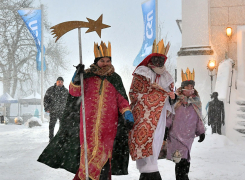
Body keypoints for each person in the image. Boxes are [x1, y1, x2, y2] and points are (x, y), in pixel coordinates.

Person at [38, 41, 134, 180]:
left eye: (108, 60)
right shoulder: (87, 76)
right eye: (102, 60)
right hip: (88, 124)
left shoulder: (115, 78)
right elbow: (74, 91)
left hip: (108, 126)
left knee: (104, 156)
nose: (106, 63)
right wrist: (77, 76)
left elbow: (122, 100)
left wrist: (127, 113)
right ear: (96, 61)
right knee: (87, 155)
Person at [128, 39, 177, 180]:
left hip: (160, 115)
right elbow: (135, 94)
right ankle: (149, 171)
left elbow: (169, 97)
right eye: (156, 60)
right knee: (145, 142)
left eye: (161, 60)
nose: (159, 63)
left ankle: (151, 169)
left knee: (156, 140)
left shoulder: (166, 77)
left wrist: (172, 97)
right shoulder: (142, 73)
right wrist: (158, 95)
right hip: (144, 116)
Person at [164, 68, 205, 180]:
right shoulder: (176, 100)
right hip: (176, 135)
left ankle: (184, 176)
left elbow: (198, 118)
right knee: (179, 160)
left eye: (192, 86)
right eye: (188, 86)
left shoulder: (196, 101)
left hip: (188, 136)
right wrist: (166, 128)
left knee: (186, 159)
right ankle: (181, 177)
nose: (190, 88)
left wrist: (201, 131)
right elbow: (170, 115)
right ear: (183, 86)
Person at [44, 76, 68, 142]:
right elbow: (46, 99)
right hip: (53, 110)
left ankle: (61, 138)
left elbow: (68, 101)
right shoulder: (51, 90)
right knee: (52, 125)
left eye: (61, 82)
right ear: (56, 82)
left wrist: (67, 109)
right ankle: (51, 138)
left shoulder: (66, 91)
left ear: (63, 83)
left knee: (62, 125)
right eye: (59, 81)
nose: (60, 83)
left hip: (62, 111)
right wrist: (47, 108)